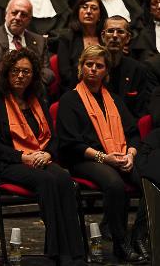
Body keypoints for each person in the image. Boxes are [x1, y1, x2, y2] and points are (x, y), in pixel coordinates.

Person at [0, 48, 85, 266]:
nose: (21, 76)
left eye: (26, 72)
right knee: (47, 180)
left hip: (38, 158)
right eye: (16, 71)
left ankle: (75, 252)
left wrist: (47, 153)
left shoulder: (37, 100)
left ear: (34, 75)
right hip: (5, 162)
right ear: (7, 73)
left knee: (64, 178)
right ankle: (58, 253)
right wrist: (23, 157)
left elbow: (53, 137)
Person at [57, 45, 148, 262]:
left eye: (99, 66)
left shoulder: (114, 100)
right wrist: (103, 158)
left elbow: (133, 132)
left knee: (150, 181)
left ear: (106, 71)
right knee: (114, 184)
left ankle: (139, 235)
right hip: (83, 158)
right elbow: (70, 143)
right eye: (89, 64)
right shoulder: (70, 100)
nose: (93, 69)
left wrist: (130, 155)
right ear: (81, 67)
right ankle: (120, 242)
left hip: (118, 156)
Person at [0, 0, 53, 105]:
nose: (18, 18)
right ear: (6, 14)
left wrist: (27, 85)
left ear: (29, 20)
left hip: (31, 93)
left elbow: (47, 72)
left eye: (24, 15)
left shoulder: (39, 41)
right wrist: (12, 85)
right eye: (14, 13)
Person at [100, 15, 152, 119]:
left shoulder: (138, 70)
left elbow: (141, 111)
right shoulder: (91, 67)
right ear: (102, 36)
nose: (115, 36)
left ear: (128, 38)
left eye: (120, 32)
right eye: (110, 31)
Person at [57, 0, 105, 94]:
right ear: (77, 12)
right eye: (84, 7)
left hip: (102, 89)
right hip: (74, 90)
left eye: (94, 8)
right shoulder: (67, 37)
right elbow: (65, 73)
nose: (88, 11)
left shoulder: (105, 38)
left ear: (100, 15)